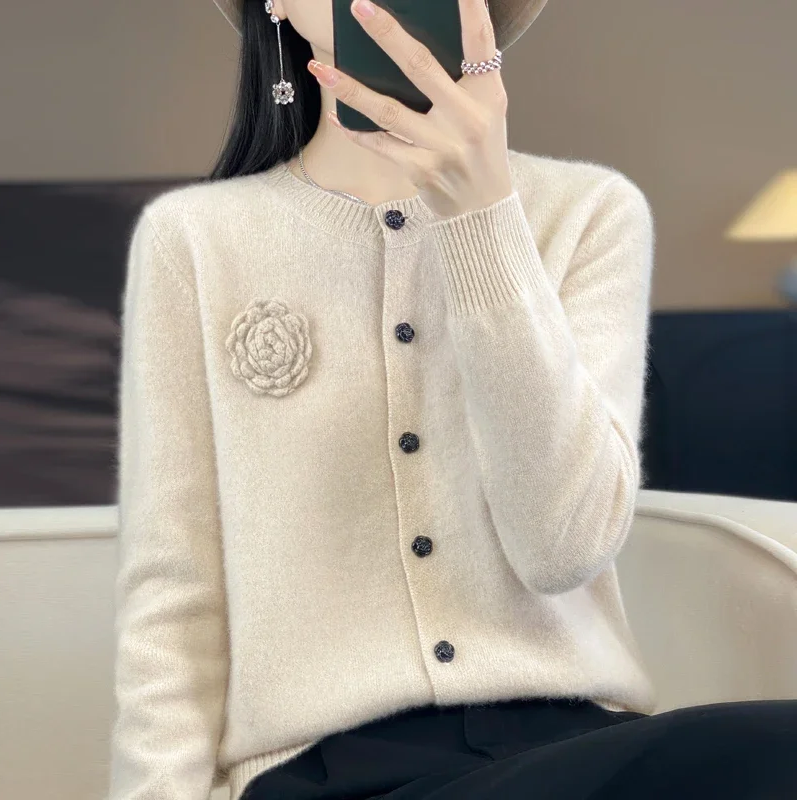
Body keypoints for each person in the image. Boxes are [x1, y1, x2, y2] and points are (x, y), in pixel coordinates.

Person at [108, 0, 797, 798]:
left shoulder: (589, 214)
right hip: (327, 773)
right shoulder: (195, 239)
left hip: (573, 751)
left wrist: (483, 219)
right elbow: (175, 588)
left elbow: (564, 547)